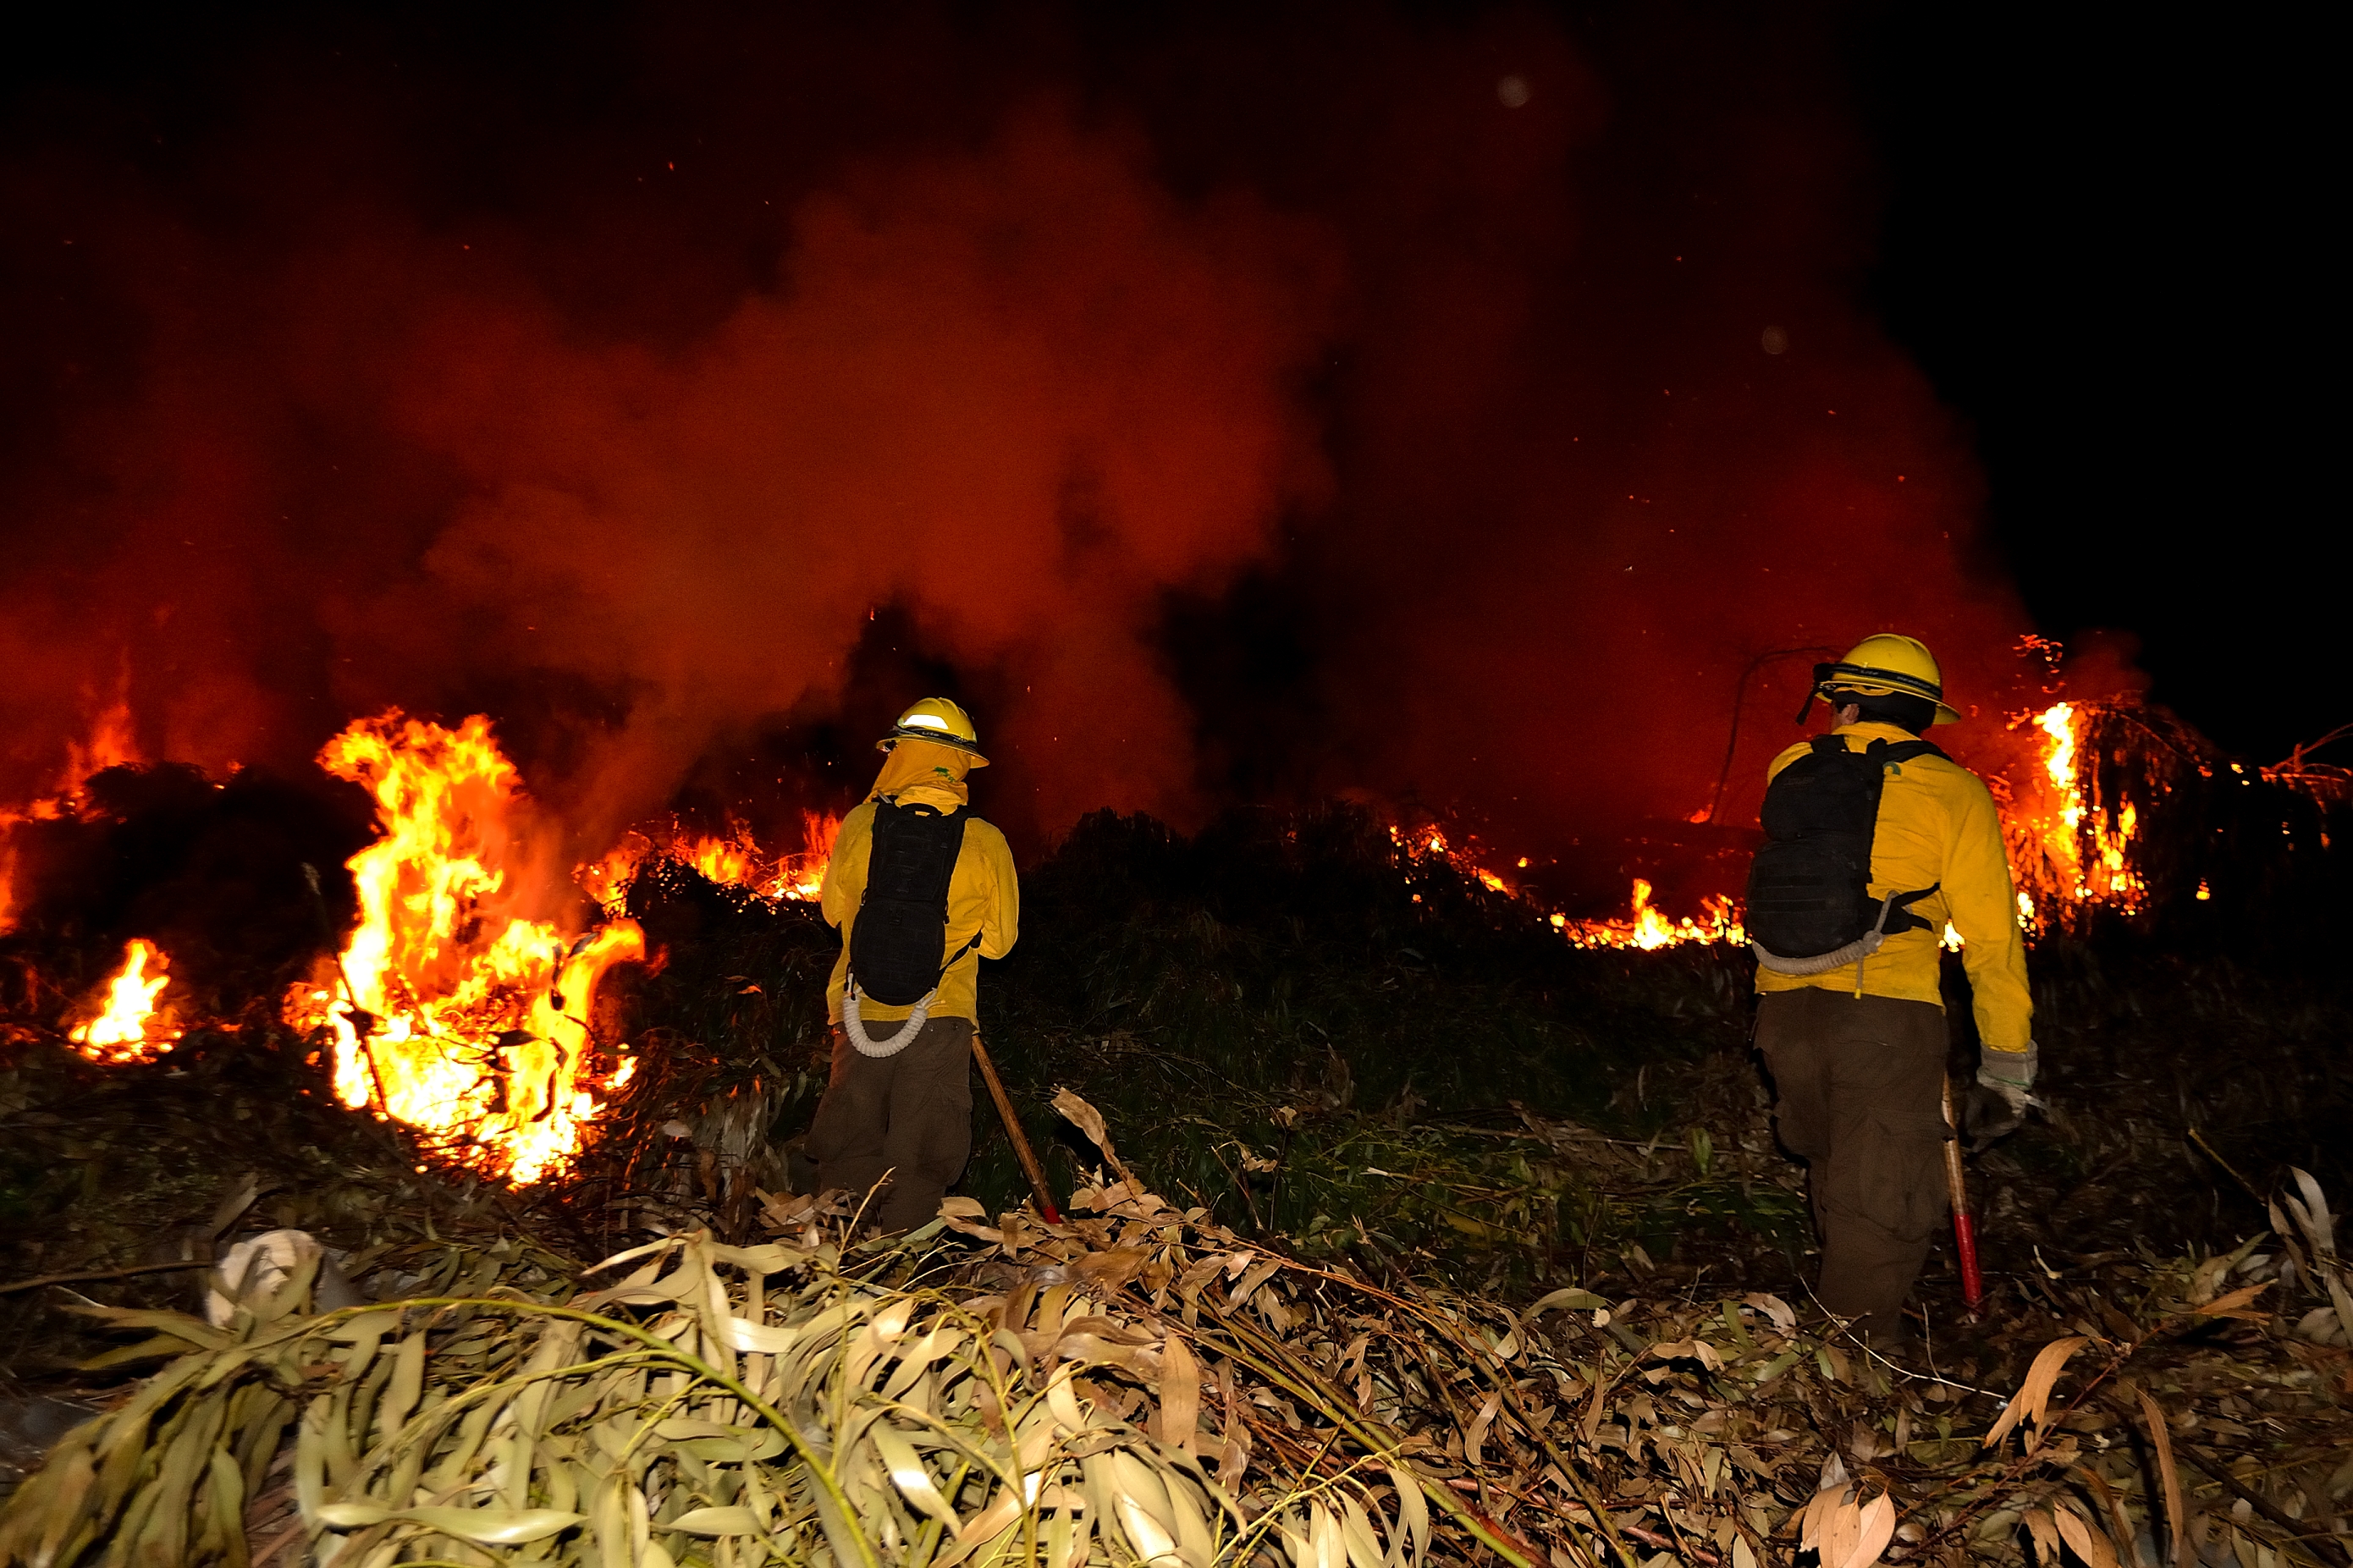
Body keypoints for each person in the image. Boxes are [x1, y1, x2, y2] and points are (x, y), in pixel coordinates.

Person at [1744, 634, 2036, 1345]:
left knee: (1835, 1164)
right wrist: (2005, 1066)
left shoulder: (1790, 765)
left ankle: (1838, 1333)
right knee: (1884, 1199)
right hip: (1887, 1012)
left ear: (1841, 701)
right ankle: (1846, 1379)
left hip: (1781, 1012)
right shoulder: (1954, 790)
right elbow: (1993, 941)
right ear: (1922, 713)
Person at [807, 698, 1019, 1232]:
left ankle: (835, 1265)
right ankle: (905, 1275)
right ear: (963, 763)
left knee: (849, 1142)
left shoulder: (860, 824)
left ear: (897, 756)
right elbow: (999, 945)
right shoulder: (987, 840)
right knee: (922, 1149)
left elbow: (833, 910)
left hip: (857, 1008)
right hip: (941, 1015)